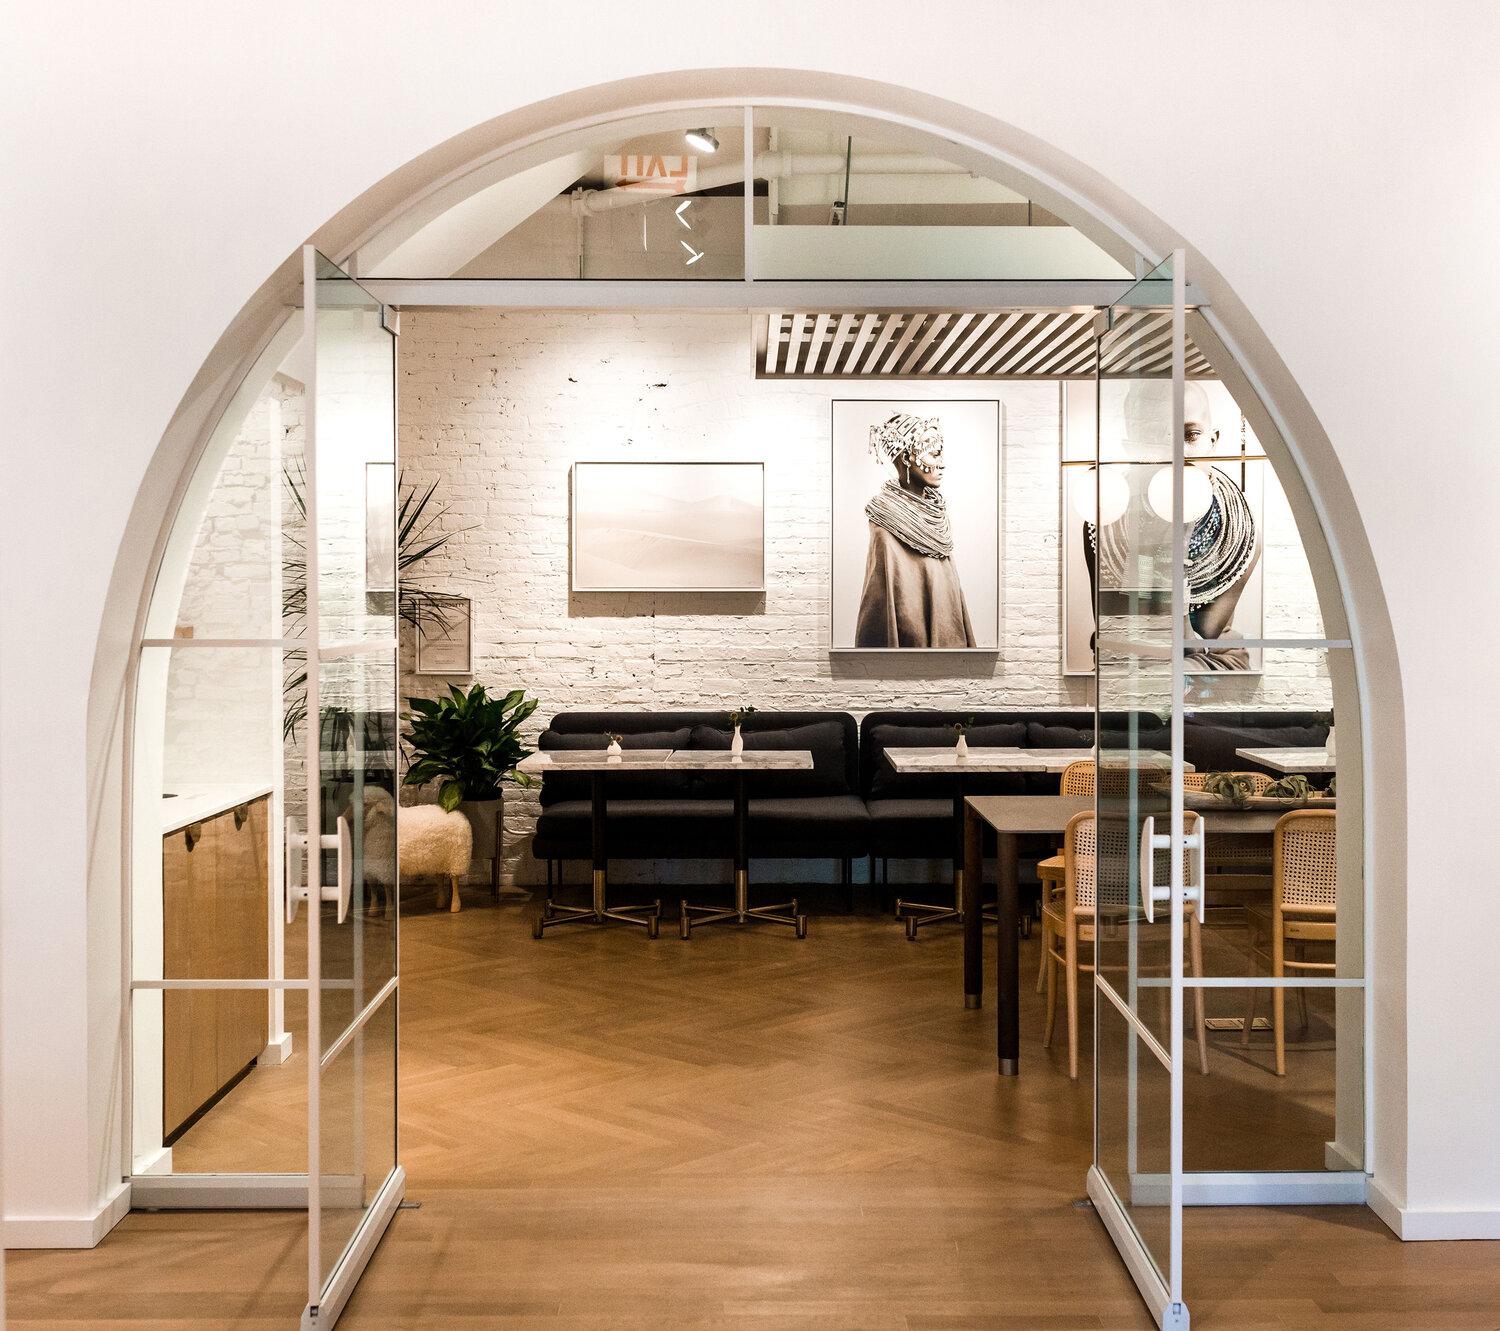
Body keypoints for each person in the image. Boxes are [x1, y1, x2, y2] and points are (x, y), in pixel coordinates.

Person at [1084, 381, 1260, 671]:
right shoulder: (1107, 521)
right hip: (1130, 665)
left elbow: (1200, 635)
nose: (1176, 451)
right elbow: (1122, 628)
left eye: (1190, 435)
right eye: (1156, 436)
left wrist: (1175, 546)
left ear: (1212, 440)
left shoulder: (1239, 530)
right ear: (1134, 446)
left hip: (1206, 662)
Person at [855, 411, 976, 648]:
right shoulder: (885, 526)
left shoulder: (937, 522)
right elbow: (880, 612)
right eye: (933, 454)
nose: (941, 463)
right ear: (906, 458)